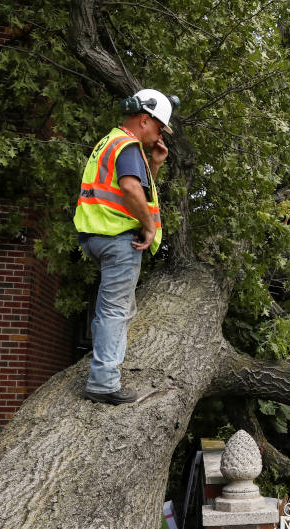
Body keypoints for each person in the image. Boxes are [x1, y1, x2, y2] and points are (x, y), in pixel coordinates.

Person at [73, 89, 176, 404]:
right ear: (144, 119)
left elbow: (139, 189)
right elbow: (131, 189)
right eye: (159, 127)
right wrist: (149, 227)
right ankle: (103, 384)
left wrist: (155, 164)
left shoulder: (111, 141)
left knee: (117, 307)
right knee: (115, 310)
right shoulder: (129, 146)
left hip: (95, 234)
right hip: (118, 237)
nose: (159, 135)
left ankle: (105, 367)